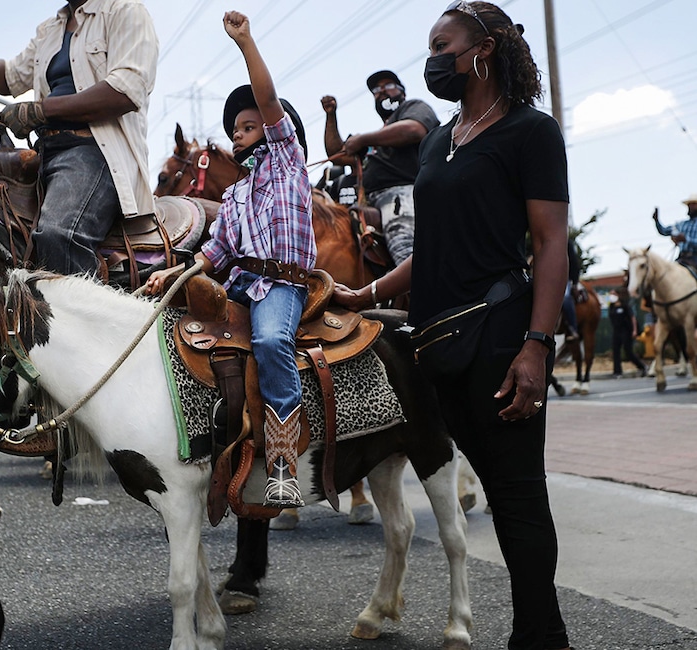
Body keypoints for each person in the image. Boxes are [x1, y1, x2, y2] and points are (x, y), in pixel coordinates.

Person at [334, 3, 572, 649]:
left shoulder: (530, 131)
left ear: (484, 50)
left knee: (517, 497)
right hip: (437, 341)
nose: (433, 59)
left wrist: (536, 345)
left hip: (499, 334)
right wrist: (365, 293)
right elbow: (430, 244)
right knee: (494, 483)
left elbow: (551, 243)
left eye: (443, 45)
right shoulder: (440, 139)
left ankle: (540, 637)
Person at [145, 11, 315, 509]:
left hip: (281, 285)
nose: (237, 133)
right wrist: (174, 274)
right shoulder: (237, 193)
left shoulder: (289, 163)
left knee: (268, 338)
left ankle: (283, 459)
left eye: (248, 125)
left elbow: (266, 98)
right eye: (234, 128)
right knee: (184, 327)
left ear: (274, 128)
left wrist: (246, 44)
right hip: (241, 283)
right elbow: (216, 251)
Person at [0, 0, 158, 276]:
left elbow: (125, 92)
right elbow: (7, 78)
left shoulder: (125, 11)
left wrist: (41, 110)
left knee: (58, 235)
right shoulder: (51, 29)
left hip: (95, 151)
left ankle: (80, 318)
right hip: (47, 152)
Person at [321, 70, 439, 266]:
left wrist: (363, 139)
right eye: (377, 89)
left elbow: (414, 130)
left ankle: (422, 290)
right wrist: (331, 116)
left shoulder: (414, 107)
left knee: (403, 248)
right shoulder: (376, 141)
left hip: (403, 196)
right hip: (369, 203)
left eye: (388, 86)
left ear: (402, 92)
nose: (382, 91)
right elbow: (337, 156)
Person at [608, 288, 647, 378]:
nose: (611, 296)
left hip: (626, 330)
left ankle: (642, 366)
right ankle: (617, 372)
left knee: (628, 351)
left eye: (613, 294)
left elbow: (632, 318)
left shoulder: (624, 306)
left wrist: (634, 330)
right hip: (616, 331)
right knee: (616, 351)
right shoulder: (611, 307)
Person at [652, 194, 697, 268]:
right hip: (682, 258)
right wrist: (657, 221)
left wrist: (686, 239)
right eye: (689, 205)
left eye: (693, 205)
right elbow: (664, 231)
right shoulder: (681, 224)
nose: (690, 207)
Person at [560, 237, 581, 341]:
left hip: (563, 279)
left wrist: (575, 282)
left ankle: (573, 328)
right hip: (544, 278)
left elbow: (574, 262)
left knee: (565, 298)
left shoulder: (566, 243)